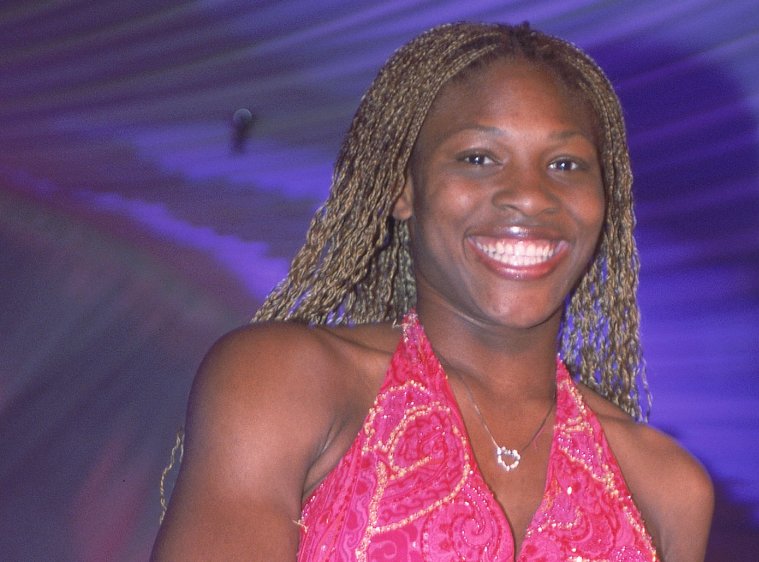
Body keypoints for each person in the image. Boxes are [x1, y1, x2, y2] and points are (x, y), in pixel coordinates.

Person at [152, 21, 713, 561]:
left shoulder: (664, 485)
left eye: (565, 164)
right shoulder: (285, 381)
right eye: (478, 158)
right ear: (403, 189)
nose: (530, 195)